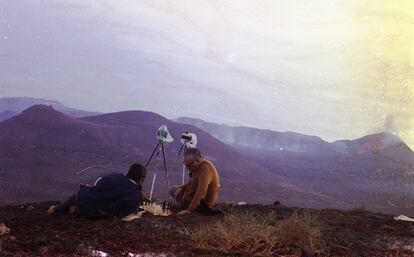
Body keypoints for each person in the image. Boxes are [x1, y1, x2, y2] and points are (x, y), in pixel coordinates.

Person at [47, 163, 147, 220]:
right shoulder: (136, 194)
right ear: (141, 180)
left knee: (81, 194)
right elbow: (122, 215)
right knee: (96, 208)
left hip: (83, 198)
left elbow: (99, 183)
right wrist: (135, 214)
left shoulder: (116, 176)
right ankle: (76, 210)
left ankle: (56, 209)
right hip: (98, 212)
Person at [170, 147, 221, 215]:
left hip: (202, 205)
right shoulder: (196, 168)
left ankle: (182, 206)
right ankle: (181, 204)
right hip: (191, 196)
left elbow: (201, 192)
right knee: (173, 189)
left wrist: (189, 210)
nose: (187, 168)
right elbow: (191, 183)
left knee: (173, 206)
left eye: (189, 165)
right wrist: (182, 188)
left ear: (198, 160)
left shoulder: (205, 169)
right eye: (185, 164)